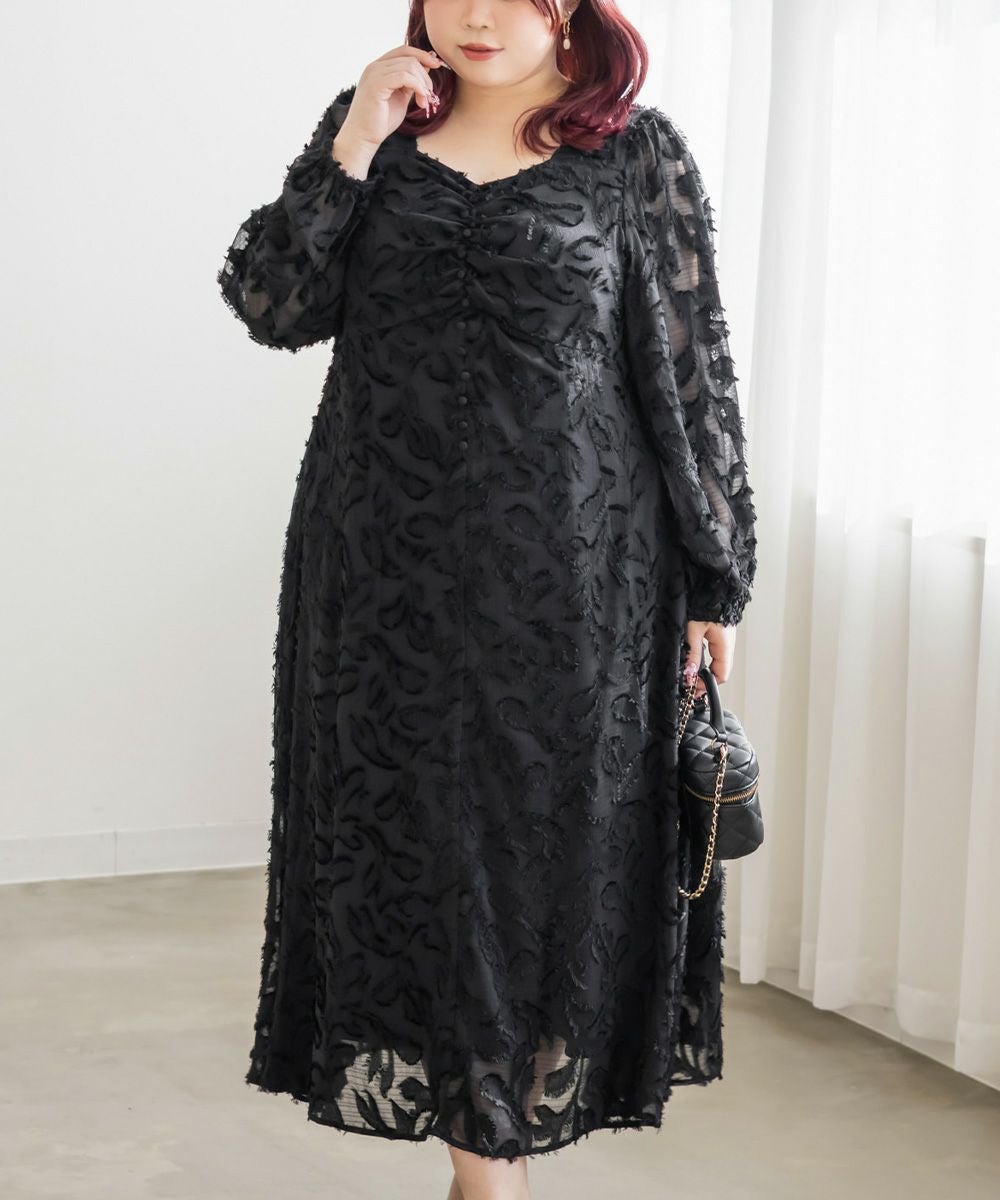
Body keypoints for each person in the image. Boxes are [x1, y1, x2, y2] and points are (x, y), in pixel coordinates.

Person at [217, 1, 757, 1196]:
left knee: (544, 855)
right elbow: (271, 306)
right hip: (380, 571)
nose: (473, 12)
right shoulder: (377, 131)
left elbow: (687, 369)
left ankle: (492, 1151)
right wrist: (353, 139)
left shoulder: (634, 151)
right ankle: (487, 1161)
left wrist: (716, 570)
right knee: (404, 847)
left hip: (578, 572)